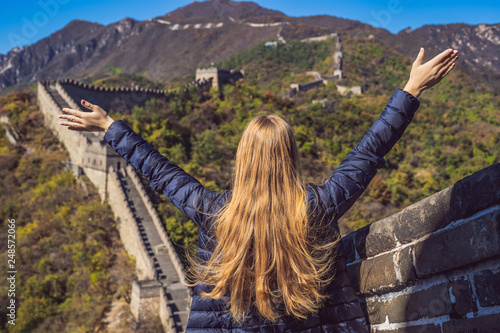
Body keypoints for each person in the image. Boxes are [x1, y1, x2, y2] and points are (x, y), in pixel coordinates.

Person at [59, 47, 458, 332]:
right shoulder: (317, 207)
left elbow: (160, 173)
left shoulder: (212, 211)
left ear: (242, 159)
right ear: (291, 157)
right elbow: (368, 153)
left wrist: (109, 126)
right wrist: (410, 91)